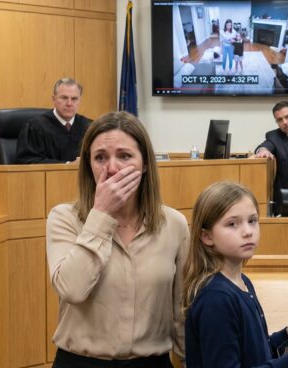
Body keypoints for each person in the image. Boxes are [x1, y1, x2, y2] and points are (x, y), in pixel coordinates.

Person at [46, 111, 189, 367]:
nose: (112, 168)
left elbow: (181, 311)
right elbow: (72, 290)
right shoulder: (64, 218)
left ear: (145, 164)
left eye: (124, 156)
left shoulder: (174, 224)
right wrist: (101, 214)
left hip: (151, 362)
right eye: (100, 157)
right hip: (81, 362)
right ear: (88, 166)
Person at [182, 181, 288, 367]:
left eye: (252, 221)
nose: (248, 232)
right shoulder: (216, 298)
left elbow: (254, 353)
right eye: (232, 224)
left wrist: (286, 335)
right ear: (207, 237)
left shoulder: (242, 282)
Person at [17, 77, 92, 164]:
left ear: (80, 101)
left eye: (74, 99)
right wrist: (67, 165)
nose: (69, 103)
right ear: (54, 99)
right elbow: (28, 161)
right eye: (64, 98)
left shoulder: (89, 127)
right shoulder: (35, 127)